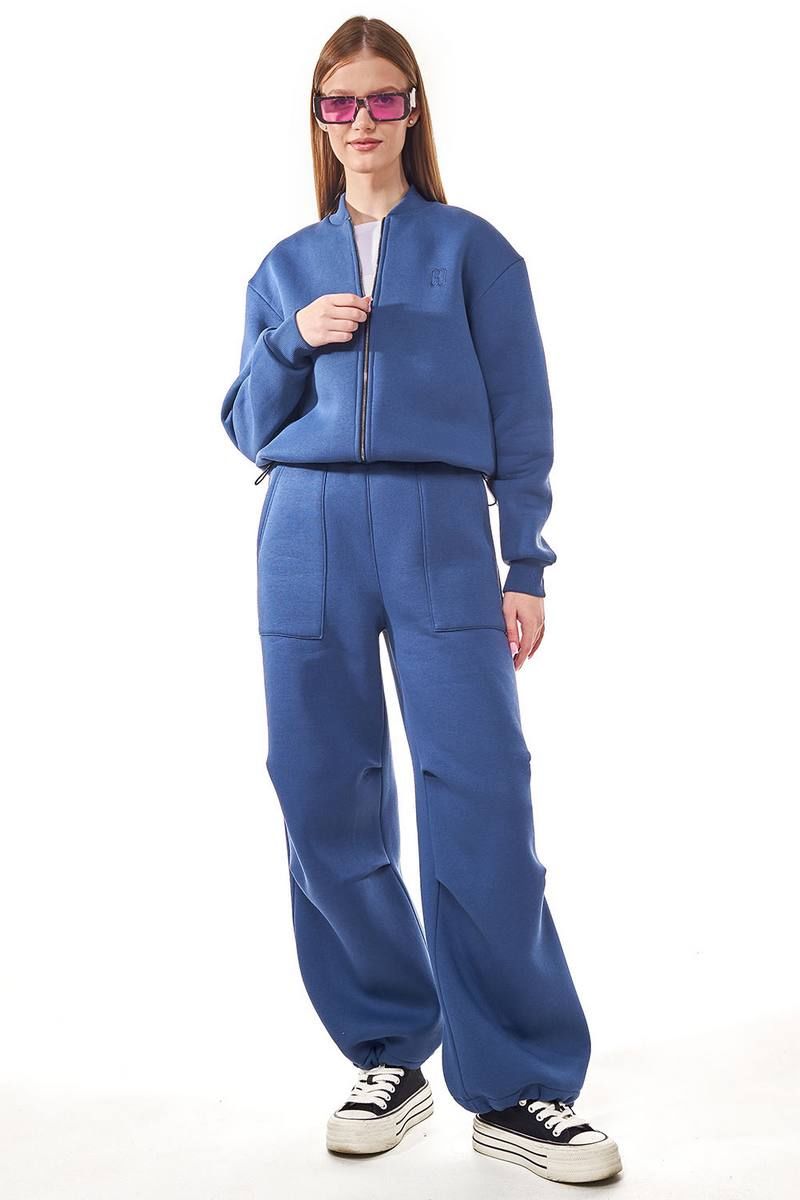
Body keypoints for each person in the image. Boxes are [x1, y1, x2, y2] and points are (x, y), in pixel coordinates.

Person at [220, 15, 622, 1186]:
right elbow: (243, 424)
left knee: (480, 792)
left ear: (412, 110)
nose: (362, 121)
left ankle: (519, 1084)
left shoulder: (472, 252)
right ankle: (389, 1052)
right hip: (304, 530)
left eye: (382, 98)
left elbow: (523, 416)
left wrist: (524, 563)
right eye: (339, 102)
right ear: (316, 119)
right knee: (319, 793)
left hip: (441, 527)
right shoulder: (283, 266)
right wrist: (289, 343)